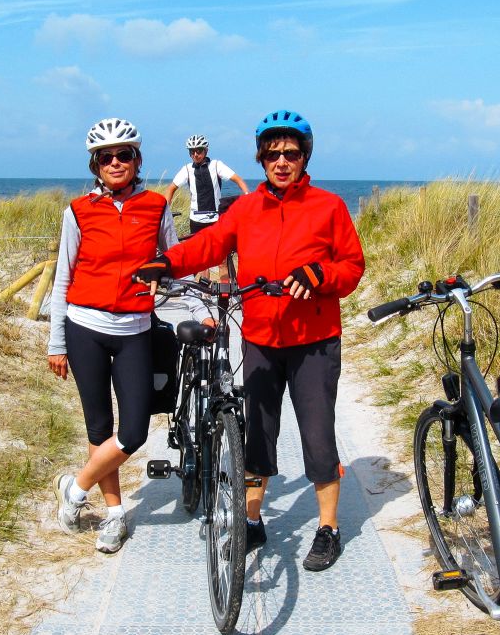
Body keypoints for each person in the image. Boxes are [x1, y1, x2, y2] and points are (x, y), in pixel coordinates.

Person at [138, 110, 365, 571]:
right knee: (256, 433)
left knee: (318, 436)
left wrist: (319, 273)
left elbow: (352, 267)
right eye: (273, 154)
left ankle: (328, 528)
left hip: (314, 341)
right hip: (261, 336)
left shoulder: (329, 207)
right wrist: (167, 262)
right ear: (261, 159)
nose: (282, 162)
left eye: (292, 153)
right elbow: (210, 244)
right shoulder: (245, 208)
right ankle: (252, 520)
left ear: (305, 157)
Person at [48, 117, 207, 553]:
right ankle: (115, 516)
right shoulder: (77, 211)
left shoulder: (155, 207)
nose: (116, 162)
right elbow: (64, 279)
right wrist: (56, 341)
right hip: (85, 328)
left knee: (133, 431)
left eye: (124, 155)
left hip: (136, 328)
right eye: (106, 157)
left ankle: (76, 489)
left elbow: (174, 265)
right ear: (95, 166)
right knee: (99, 427)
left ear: (137, 160)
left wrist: (196, 310)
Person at [162, 135, 249, 280]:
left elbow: (237, 179)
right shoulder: (187, 169)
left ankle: (224, 297)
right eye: (192, 151)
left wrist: (247, 197)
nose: (196, 154)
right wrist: (163, 212)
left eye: (199, 150)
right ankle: (205, 297)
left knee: (222, 260)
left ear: (206, 151)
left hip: (216, 219)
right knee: (202, 261)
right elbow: (171, 188)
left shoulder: (216, 165)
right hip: (196, 220)